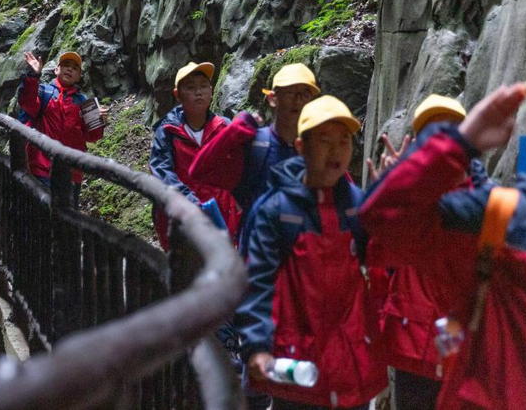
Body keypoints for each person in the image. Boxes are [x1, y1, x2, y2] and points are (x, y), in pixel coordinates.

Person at [361, 61, 526, 410]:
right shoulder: (492, 215)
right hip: (417, 346)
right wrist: (461, 143)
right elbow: (381, 222)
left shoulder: (487, 207)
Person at [237, 95, 387, 410]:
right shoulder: (276, 210)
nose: (336, 150)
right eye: (325, 141)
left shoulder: (356, 205)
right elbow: (257, 280)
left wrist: (392, 203)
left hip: (348, 354)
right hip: (296, 357)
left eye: (344, 141)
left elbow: (384, 261)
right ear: (302, 147)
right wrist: (256, 345)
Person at [365, 95, 490, 410]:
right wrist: (392, 198)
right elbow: (380, 261)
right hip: (415, 348)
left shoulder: (485, 203)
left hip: (463, 352)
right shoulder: (408, 205)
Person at [189, 62, 320, 238]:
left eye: (305, 94)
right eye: (290, 92)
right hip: (257, 255)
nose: (297, 100)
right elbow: (198, 171)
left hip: (303, 255)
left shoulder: (318, 151)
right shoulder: (255, 147)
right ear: (273, 98)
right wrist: (232, 132)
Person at [149, 61, 237, 249]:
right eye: (191, 87)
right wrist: (193, 204)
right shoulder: (167, 131)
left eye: (204, 86)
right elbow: (162, 171)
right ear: (177, 95)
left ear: (212, 91)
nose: (199, 92)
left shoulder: (225, 127)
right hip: (183, 218)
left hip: (221, 215)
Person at [16, 50, 107, 186]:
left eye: (75, 68)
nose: (70, 69)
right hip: (42, 169)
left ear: (79, 76)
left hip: (72, 174)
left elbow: (92, 136)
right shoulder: (43, 92)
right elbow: (26, 102)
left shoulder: (83, 103)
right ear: (56, 69)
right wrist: (33, 76)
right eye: (66, 65)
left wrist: (99, 120)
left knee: (66, 208)